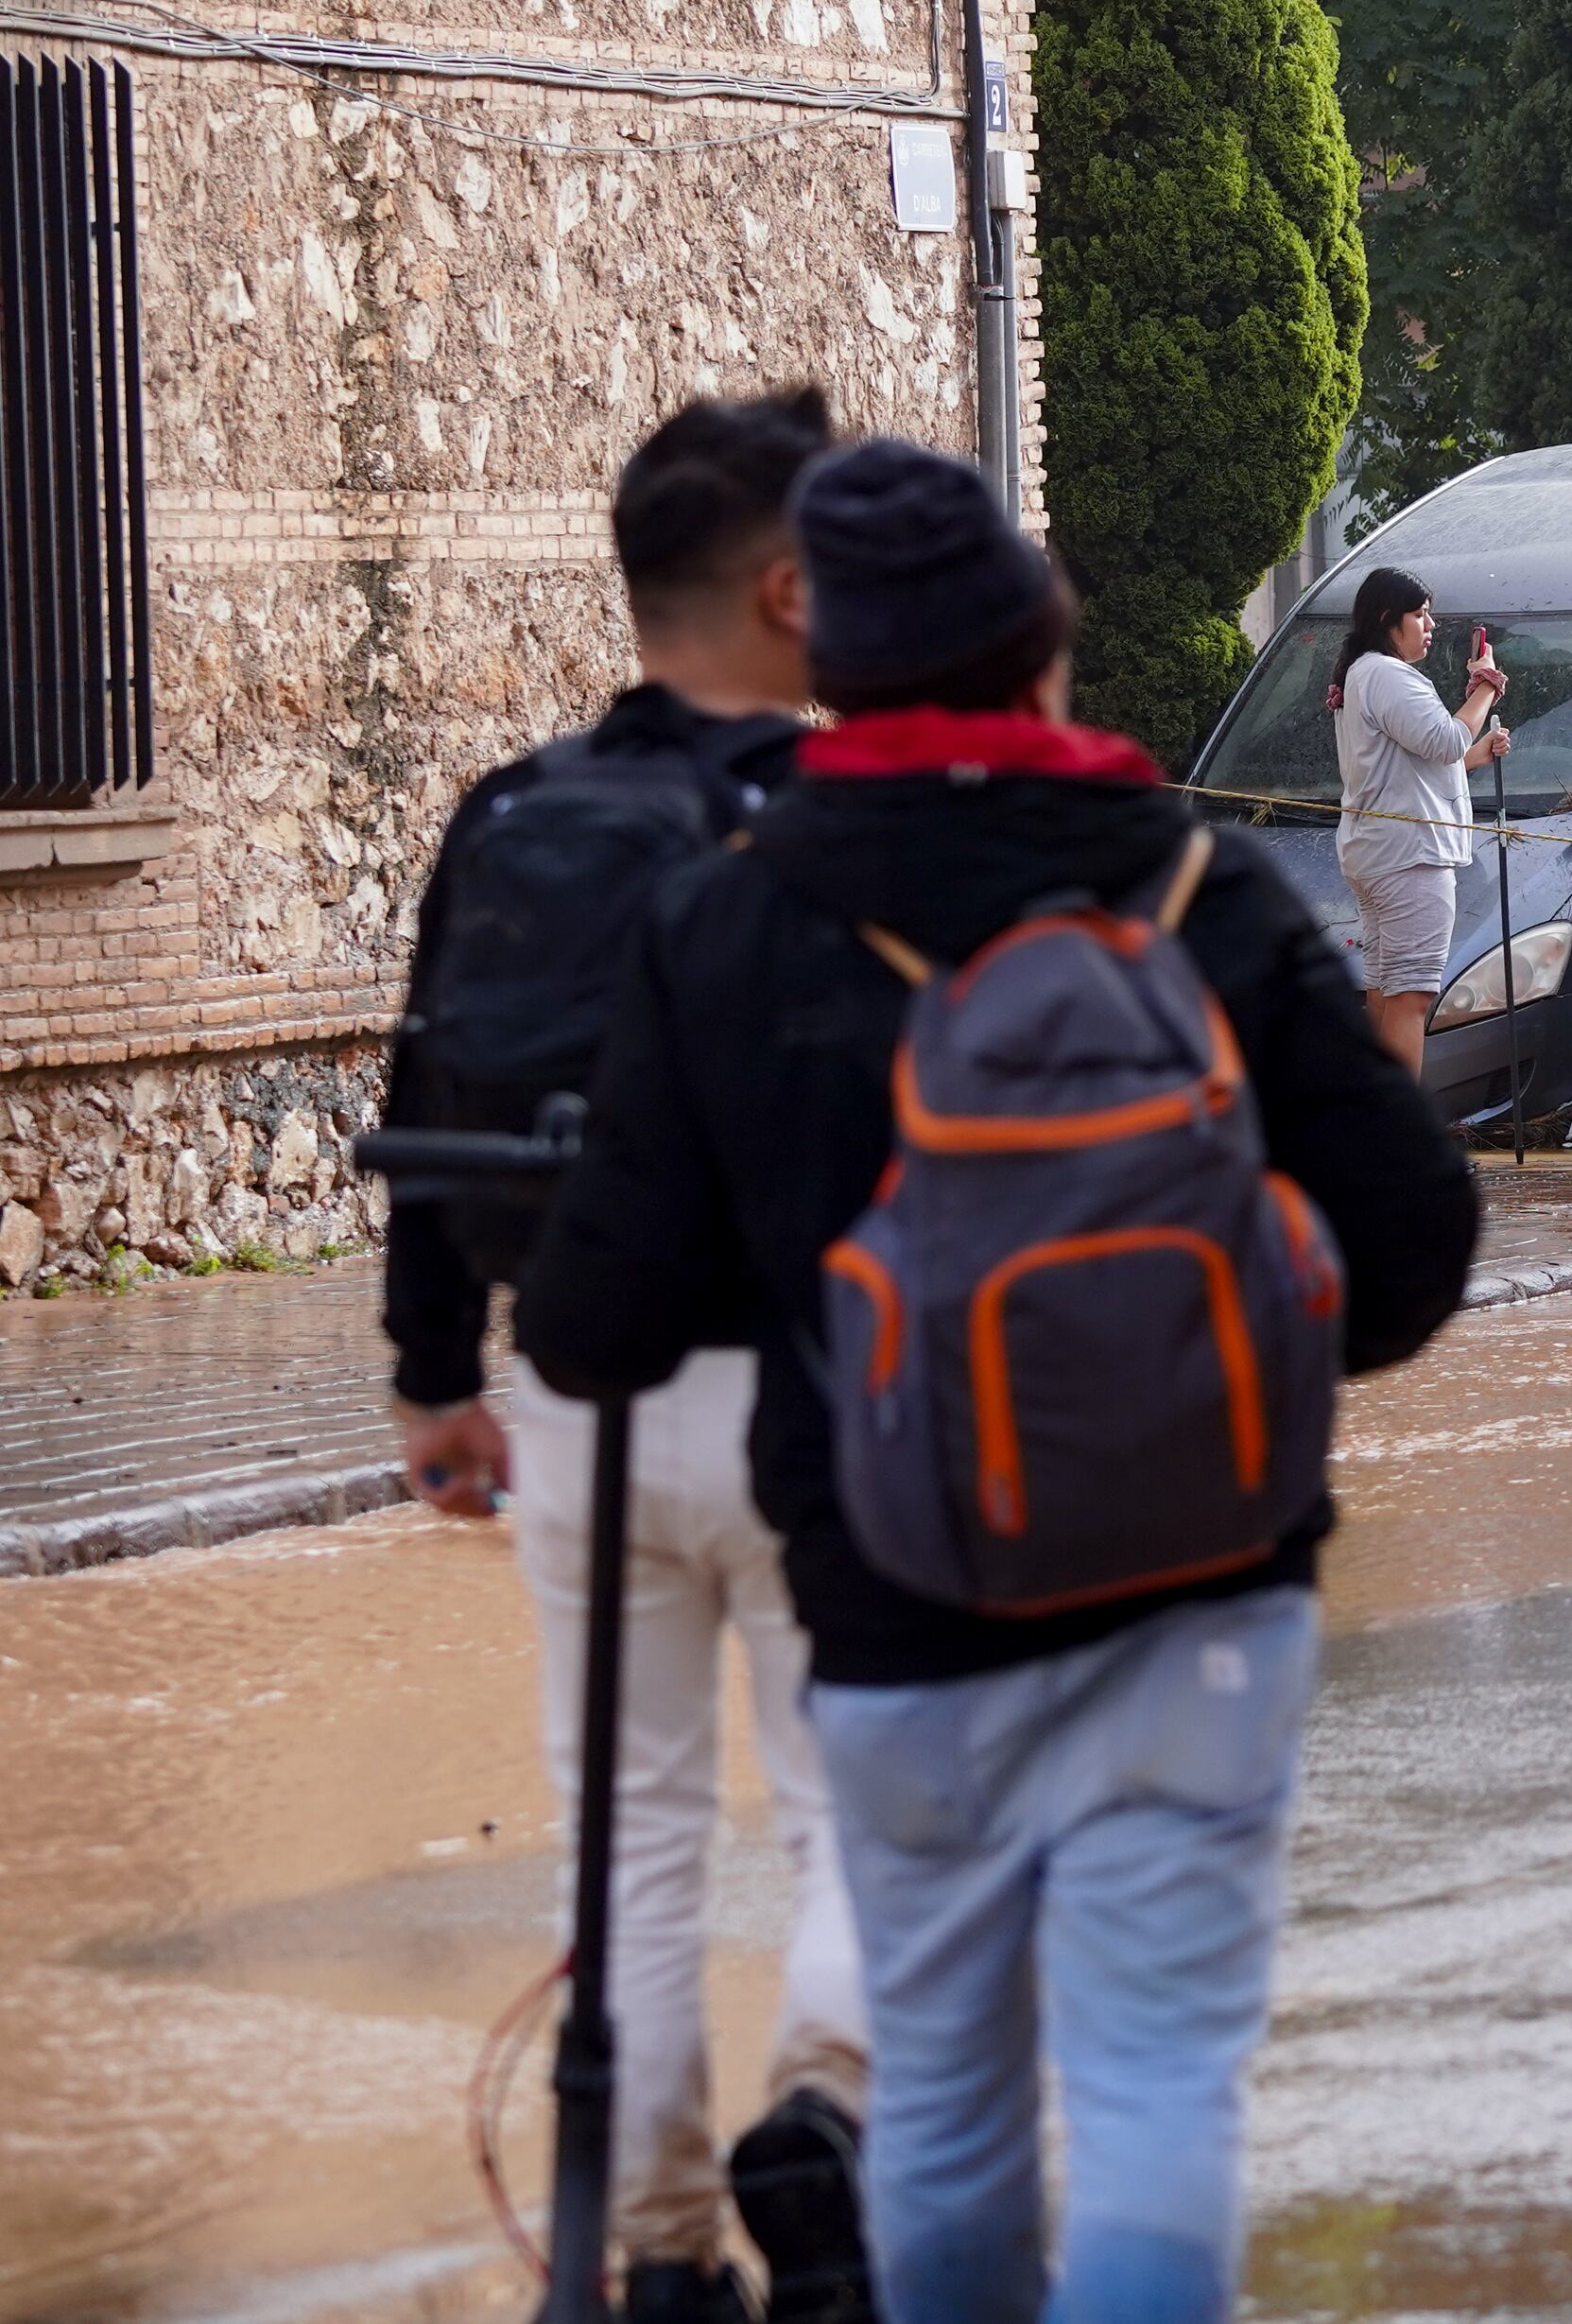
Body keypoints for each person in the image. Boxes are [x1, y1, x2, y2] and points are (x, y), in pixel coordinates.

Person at [519, 439, 1482, 2324]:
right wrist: (1233, 1371)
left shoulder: (727, 919)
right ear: (1042, 646)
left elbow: (595, 1323)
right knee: (1154, 2092)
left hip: (894, 1603)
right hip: (1205, 1595)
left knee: (948, 2110)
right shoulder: (1197, 889)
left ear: (835, 669)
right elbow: (1419, 1232)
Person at [379, 389, 877, 2324]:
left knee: (633, 1841)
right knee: (861, 1816)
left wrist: (438, 1375)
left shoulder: (512, 813)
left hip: (577, 1400)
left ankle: (661, 2254)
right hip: (816, 1402)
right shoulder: (846, 824)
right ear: (786, 589)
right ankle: (826, 2122)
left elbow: (426, 1090)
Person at [1326, 569, 1509, 1070]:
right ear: (1389, 618)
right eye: (1420, 614)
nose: (1431, 625)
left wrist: (1476, 756)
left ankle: (1377, 1111)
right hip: (1410, 858)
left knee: (1385, 992)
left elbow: (1410, 764)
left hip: (1379, 853)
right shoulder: (1388, 674)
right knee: (1411, 996)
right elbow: (1445, 741)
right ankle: (1399, 1118)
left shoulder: (1363, 673)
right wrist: (1486, 686)